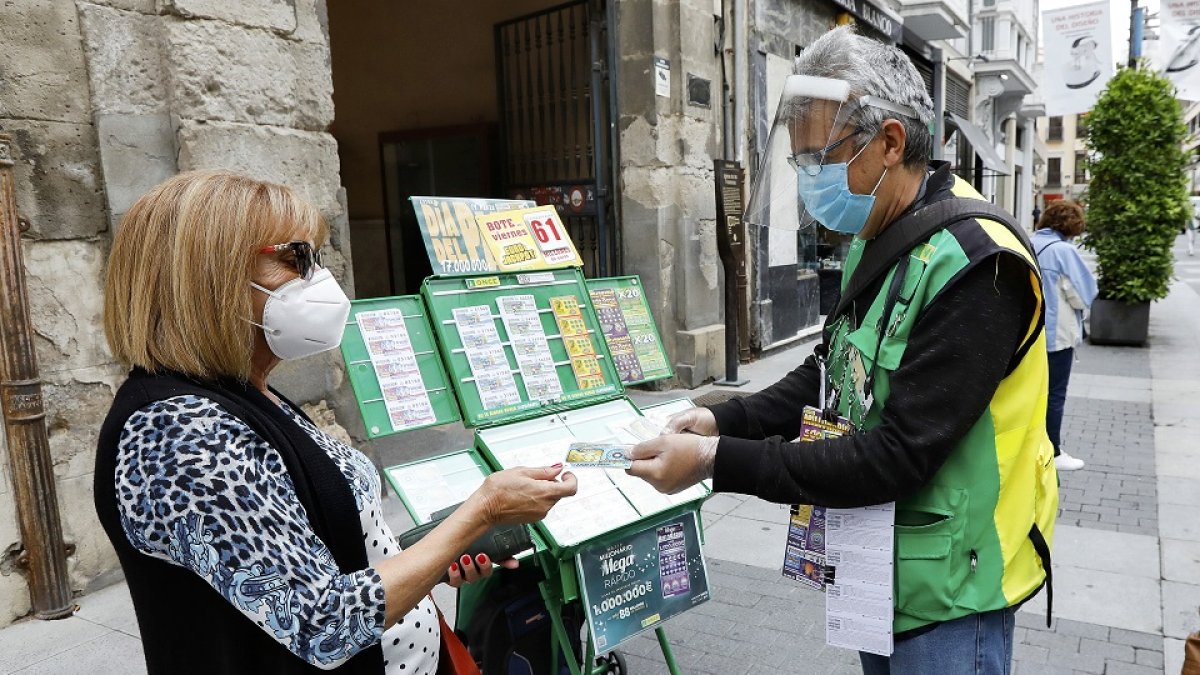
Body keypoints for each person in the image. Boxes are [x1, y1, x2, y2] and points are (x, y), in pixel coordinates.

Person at [627, 26, 1057, 674]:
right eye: (800, 160)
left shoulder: (976, 265)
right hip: (874, 569)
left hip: (950, 593)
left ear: (889, 142)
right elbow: (830, 372)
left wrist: (716, 459)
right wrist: (722, 416)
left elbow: (897, 454)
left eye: (819, 157)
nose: (809, 177)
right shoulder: (881, 230)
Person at [95, 170, 578, 675]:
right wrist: (480, 513)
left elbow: (321, 545)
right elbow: (321, 622)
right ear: (205, 276)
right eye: (294, 258)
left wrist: (438, 549)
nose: (319, 279)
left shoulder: (244, 389)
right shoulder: (180, 431)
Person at [1033, 201, 1098, 472]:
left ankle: (1032, 447)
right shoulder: (1064, 251)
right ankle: (1053, 451)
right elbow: (1084, 294)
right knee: (1055, 394)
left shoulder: (1030, 240)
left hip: (1026, 333)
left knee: (1032, 394)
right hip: (1056, 335)